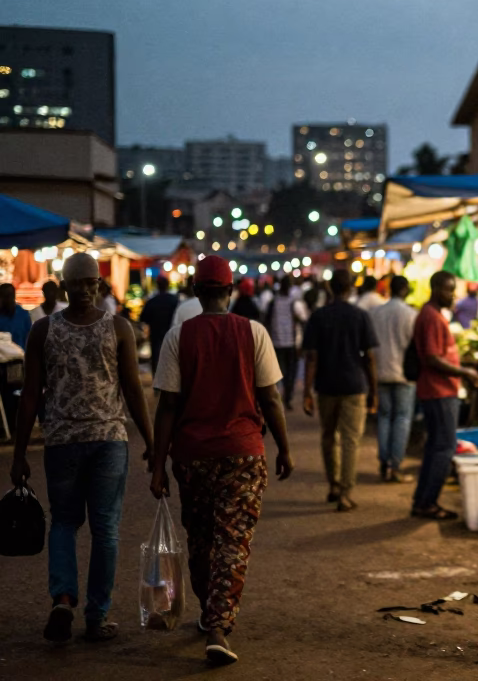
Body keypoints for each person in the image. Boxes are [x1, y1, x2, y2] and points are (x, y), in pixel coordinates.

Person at [148, 255, 293, 666]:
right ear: (229, 292)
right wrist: (284, 446)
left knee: (201, 539)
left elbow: (167, 406)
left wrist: (159, 465)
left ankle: (210, 613)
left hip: (193, 456)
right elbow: (271, 397)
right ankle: (217, 624)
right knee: (233, 541)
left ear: (196, 292)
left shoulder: (179, 337)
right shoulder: (254, 332)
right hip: (243, 454)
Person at [8, 253, 153, 643]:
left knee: (65, 523)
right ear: (66, 286)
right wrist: (151, 443)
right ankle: (95, 615)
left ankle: (63, 599)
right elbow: (132, 390)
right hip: (107, 441)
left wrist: (22, 452)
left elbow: (31, 397)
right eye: (80, 284)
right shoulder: (118, 329)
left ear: (98, 285)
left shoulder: (43, 330)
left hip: (63, 442)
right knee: (105, 529)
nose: (86, 290)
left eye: (91, 284)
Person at [303, 268, 378, 511]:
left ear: (329, 288)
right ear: (351, 288)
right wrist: (374, 391)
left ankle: (334, 485)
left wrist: (306, 391)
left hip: (326, 385)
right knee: (350, 440)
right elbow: (369, 358)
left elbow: (311, 358)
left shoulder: (318, 316)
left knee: (328, 436)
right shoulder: (360, 316)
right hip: (354, 385)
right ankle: (345, 492)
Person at [411, 271, 478, 518]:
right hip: (438, 391)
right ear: (436, 289)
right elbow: (431, 357)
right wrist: (465, 372)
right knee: (444, 447)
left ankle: (423, 500)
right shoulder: (431, 317)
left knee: (436, 446)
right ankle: (427, 502)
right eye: (449, 290)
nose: (452, 296)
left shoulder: (432, 315)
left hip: (438, 390)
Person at [370, 275, 422, 483]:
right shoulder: (411, 314)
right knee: (402, 418)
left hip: (381, 371)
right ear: (405, 290)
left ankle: (384, 462)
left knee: (384, 417)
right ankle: (396, 465)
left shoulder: (376, 313)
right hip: (404, 375)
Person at [265, 276, 302, 410]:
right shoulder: (294, 303)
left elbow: (266, 322)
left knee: (276, 373)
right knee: (290, 372)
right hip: (289, 343)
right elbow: (300, 320)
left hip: (276, 342)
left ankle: (276, 399)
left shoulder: (273, 302)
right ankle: (287, 398)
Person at [139, 276, 180, 378]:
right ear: (167, 285)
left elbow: (143, 318)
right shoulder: (174, 300)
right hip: (171, 335)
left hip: (156, 335)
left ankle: (157, 383)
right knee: (171, 359)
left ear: (157, 286)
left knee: (156, 358)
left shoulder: (152, 301)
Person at [0, 282, 32, 349]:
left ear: (14, 296)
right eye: (5, 296)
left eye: (10, 295)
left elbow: (29, 339)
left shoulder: (23, 315)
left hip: (21, 357)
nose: (8, 299)